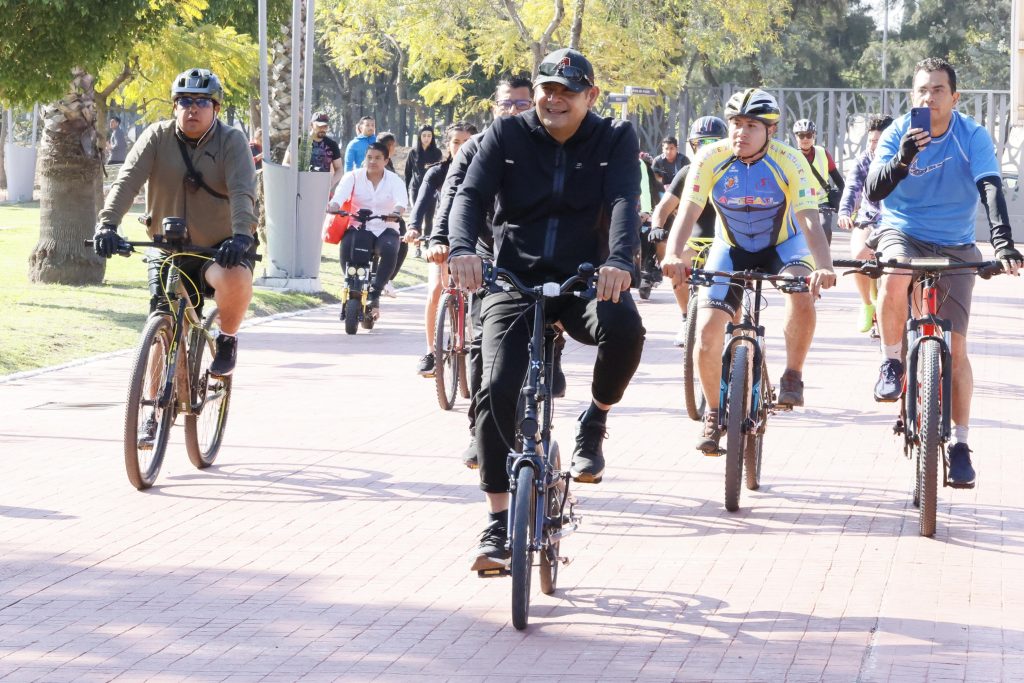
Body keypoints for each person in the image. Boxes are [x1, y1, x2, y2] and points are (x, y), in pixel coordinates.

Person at [448, 48, 646, 571]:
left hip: (587, 279)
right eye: (546, 89)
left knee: (625, 330)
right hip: (513, 279)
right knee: (495, 387)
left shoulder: (616, 139)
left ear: (591, 96)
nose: (554, 99)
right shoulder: (506, 134)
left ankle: (594, 421)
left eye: (568, 90)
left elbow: (626, 200)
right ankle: (496, 521)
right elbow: (470, 194)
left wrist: (620, 260)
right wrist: (462, 249)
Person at [865, 57, 1023, 488]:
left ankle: (960, 444)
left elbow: (989, 187)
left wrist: (1003, 243)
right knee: (894, 271)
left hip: (955, 242)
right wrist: (903, 159)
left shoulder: (971, 135)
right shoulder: (900, 131)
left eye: (938, 90)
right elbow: (874, 189)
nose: (928, 97)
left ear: (955, 97)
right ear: (912, 96)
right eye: (921, 90)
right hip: (903, 230)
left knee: (956, 346)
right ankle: (892, 363)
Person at [661, 88, 836, 453]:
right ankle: (713, 411)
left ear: (770, 130)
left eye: (751, 125)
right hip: (730, 250)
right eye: (736, 124)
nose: (741, 132)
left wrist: (824, 265)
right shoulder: (711, 157)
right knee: (707, 336)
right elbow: (688, 211)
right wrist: (673, 254)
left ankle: (792, 375)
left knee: (801, 293)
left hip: (783, 247)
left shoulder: (789, 159)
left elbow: (808, 219)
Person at [93, 68, 258, 389]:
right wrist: (107, 224)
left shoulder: (232, 141)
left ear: (216, 108)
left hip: (219, 247)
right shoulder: (157, 136)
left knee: (235, 275)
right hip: (167, 247)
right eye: (183, 101)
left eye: (201, 101)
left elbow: (243, 191)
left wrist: (241, 235)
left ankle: (226, 338)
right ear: (174, 106)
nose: (192, 108)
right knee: (164, 325)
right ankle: (153, 414)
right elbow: (126, 181)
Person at [426, 75, 537, 468]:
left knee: (544, 320)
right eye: (506, 104)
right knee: (481, 338)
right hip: (483, 250)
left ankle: (547, 365)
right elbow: (454, 195)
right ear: (494, 107)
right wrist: (442, 241)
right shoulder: (474, 147)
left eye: (521, 105)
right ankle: (479, 430)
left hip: (530, 253)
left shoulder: (544, 144)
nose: (513, 112)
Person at [648, 116, 727, 345]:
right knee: (676, 265)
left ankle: (736, 332)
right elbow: (664, 207)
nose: (706, 148)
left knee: (736, 283)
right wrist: (656, 227)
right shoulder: (687, 172)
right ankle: (685, 318)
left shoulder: (734, 171)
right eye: (700, 143)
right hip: (694, 242)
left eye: (712, 142)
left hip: (727, 241)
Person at [409, 122, 476, 376]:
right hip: (442, 237)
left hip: (475, 240)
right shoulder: (437, 172)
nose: (461, 147)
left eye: (467, 141)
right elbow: (422, 201)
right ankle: (431, 352)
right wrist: (414, 227)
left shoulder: (487, 168)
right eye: (456, 142)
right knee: (437, 288)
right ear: (447, 144)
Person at [328, 141, 407, 316]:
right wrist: (334, 205)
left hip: (385, 227)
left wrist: (396, 211)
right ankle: (350, 282)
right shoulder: (353, 177)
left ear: (386, 161)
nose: (373, 161)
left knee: (389, 249)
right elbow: (340, 195)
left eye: (378, 158)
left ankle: (376, 291)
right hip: (358, 225)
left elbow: (402, 202)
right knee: (347, 246)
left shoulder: (394, 180)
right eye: (369, 157)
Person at [837, 114, 893, 333]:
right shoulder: (863, 161)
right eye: (871, 141)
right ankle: (867, 304)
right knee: (858, 254)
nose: (873, 145)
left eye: (878, 141)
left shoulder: (902, 158)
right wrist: (845, 212)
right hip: (869, 218)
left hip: (895, 222)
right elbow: (852, 189)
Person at [792, 119, 845, 244]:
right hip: (799, 203)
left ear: (814, 135)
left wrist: (846, 198)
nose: (805, 139)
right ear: (796, 137)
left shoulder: (823, 153)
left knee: (825, 228)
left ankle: (824, 261)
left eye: (809, 135)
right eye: (801, 135)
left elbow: (838, 179)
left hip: (822, 202)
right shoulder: (791, 155)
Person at [405, 125, 442, 252]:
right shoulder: (413, 152)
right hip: (415, 189)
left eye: (429, 136)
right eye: (424, 135)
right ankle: (417, 246)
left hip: (431, 190)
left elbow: (440, 173)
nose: (426, 138)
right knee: (417, 217)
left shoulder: (437, 153)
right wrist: (406, 190)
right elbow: (408, 173)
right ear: (420, 137)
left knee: (429, 218)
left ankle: (427, 242)